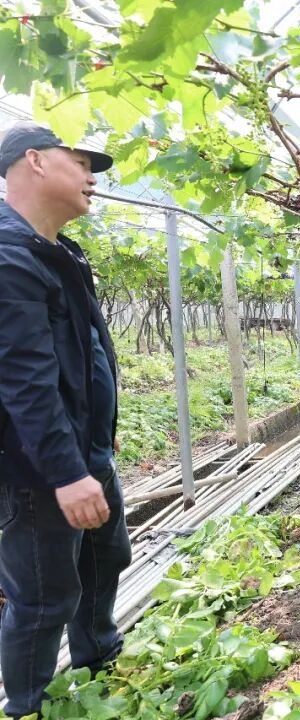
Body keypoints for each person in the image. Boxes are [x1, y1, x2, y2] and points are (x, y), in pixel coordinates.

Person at [0, 124, 130, 718]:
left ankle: (101, 667)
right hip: (39, 471)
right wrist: (66, 474)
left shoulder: (60, 252)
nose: (91, 178)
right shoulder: (8, 258)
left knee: (105, 560)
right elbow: (23, 381)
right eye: (79, 163)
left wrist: (99, 436)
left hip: (86, 452)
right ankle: (28, 707)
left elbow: (86, 353)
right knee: (43, 598)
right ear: (34, 161)